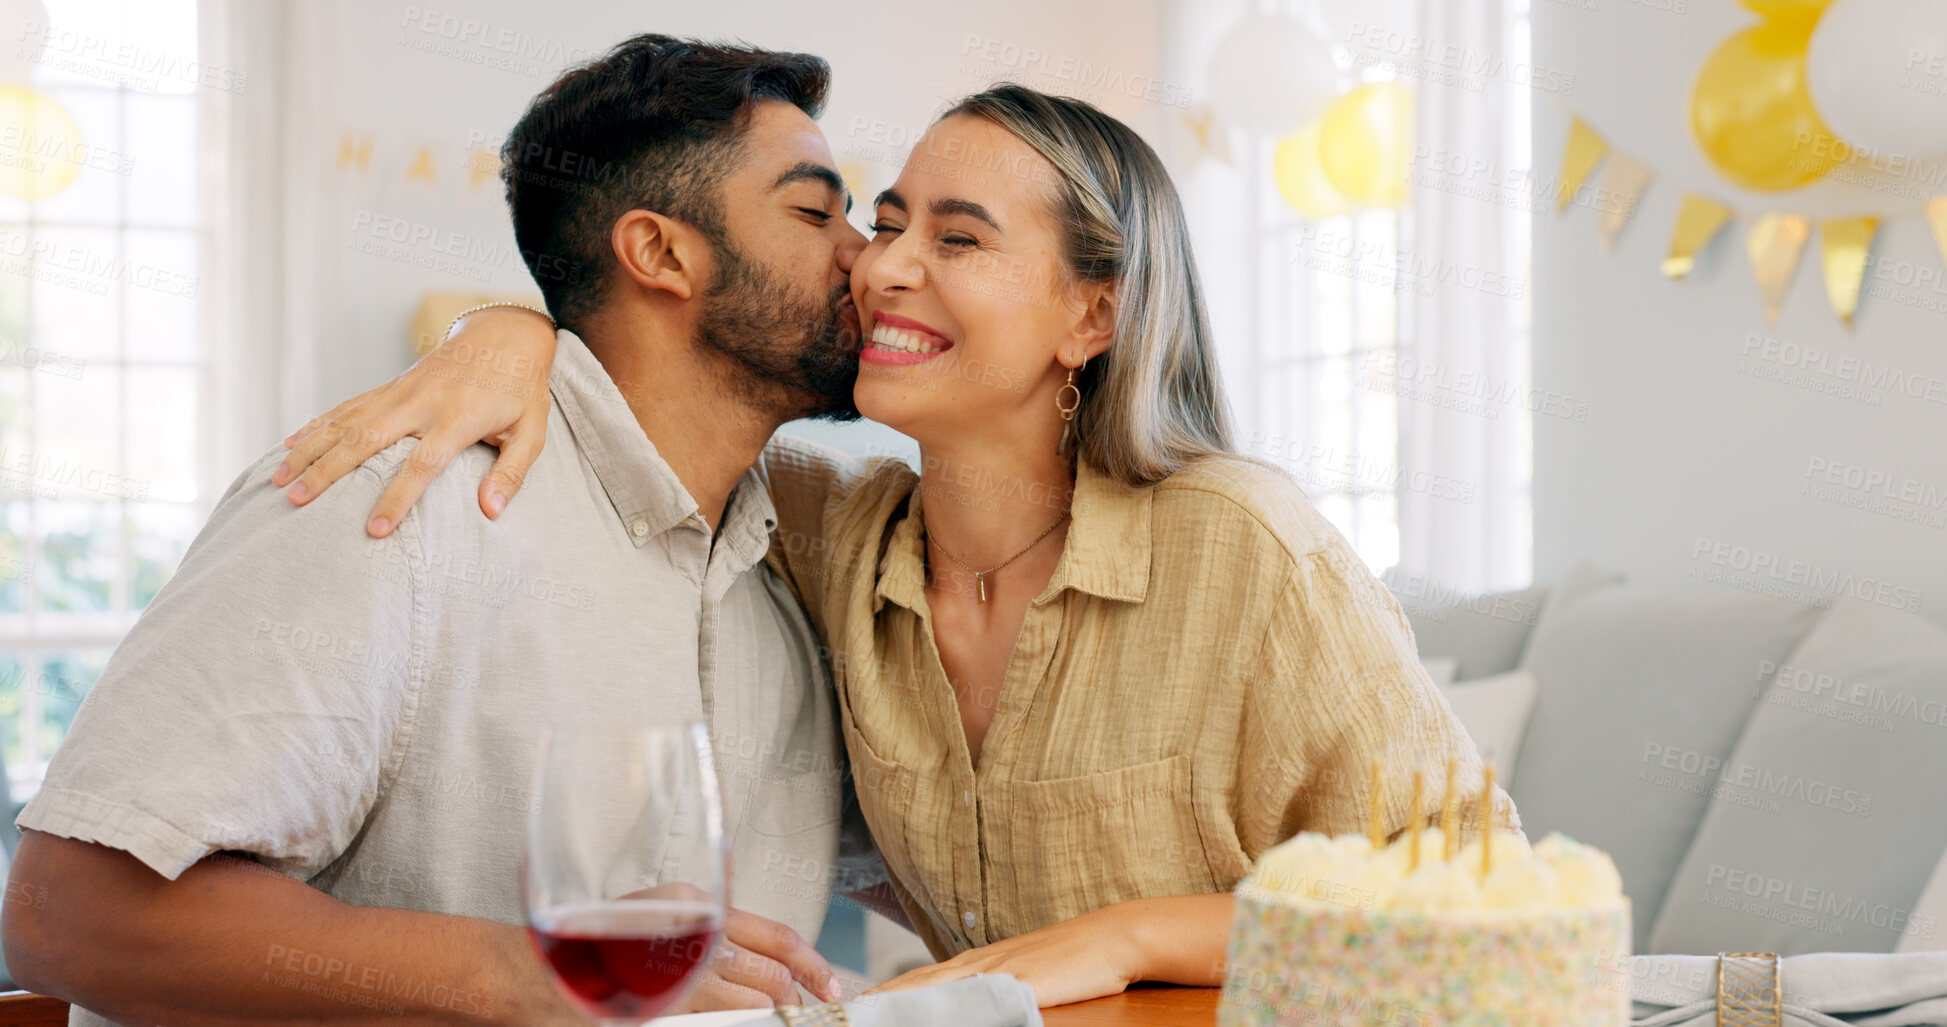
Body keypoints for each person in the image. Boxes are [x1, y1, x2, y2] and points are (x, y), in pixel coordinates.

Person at [274, 83, 1520, 1008]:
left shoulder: (1243, 542)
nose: (884, 268)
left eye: (959, 239)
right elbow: (656, 391)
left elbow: (1487, 911)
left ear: (1093, 313)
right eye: (885, 221)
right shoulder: (822, 532)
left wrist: (1132, 935)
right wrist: (509, 333)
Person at [2, 35, 896, 1024]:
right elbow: (62, 910)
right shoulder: (394, 501)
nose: (870, 259)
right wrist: (538, 975)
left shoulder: (795, 567)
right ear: (660, 252)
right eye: (818, 212)